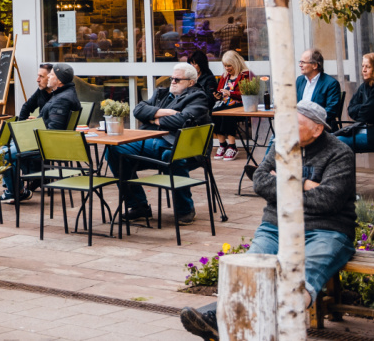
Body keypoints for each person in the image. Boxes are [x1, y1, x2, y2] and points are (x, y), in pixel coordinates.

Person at [180, 101, 356, 340]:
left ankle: (225, 319)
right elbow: (260, 181)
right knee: (251, 267)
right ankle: (226, 321)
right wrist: (306, 184)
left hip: (326, 230)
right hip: (277, 225)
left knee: (306, 275)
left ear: (317, 129)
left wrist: (283, 181)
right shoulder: (281, 145)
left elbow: (328, 200)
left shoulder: (340, 153)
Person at [105, 63, 211, 224]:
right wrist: (165, 112)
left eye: (177, 79)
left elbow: (183, 120)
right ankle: (138, 205)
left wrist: (154, 119)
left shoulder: (198, 97)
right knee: (114, 150)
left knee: (171, 155)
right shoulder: (162, 94)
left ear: (191, 82)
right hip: (150, 142)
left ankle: (185, 209)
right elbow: (138, 110)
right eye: (171, 78)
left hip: (181, 146)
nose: (173, 82)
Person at [0, 63, 78, 202]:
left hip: (46, 145)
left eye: (51, 75)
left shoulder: (62, 99)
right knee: (7, 146)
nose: (48, 78)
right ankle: (19, 185)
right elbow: (52, 123)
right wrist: (36, 122)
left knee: (3, 154)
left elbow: (53, 132)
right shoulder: (62, 94)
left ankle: (17, 191)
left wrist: (32, 129)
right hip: (43, 140)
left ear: (59, 80)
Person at [337, 52, 374, 153]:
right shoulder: (365, 86)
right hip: (365, 130)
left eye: (368, 67)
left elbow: (365, 114)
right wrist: (364, 108)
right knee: (329, 139)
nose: (364, 70)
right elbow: (351, 109)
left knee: (337, 141)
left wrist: (362, 109)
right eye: (363, 66)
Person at [211, 50, 253, 161]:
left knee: (227, 113)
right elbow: (220, 91)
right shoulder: (225, 76)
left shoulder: (246, 75)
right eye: (225, 65)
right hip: (225, 103)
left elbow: (248, 94)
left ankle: (232, 146)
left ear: (236, 63)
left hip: (241, 106)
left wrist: (231, 93)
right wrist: (217, 96)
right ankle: (222, 144)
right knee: (213, 112)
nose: (227, 68)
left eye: (229, 65)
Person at [296, 48, 342, 129]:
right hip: (300, 126)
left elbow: (331, 111)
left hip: (321, 128)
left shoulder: (331, 83)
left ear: (315, 65)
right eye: (300, 62)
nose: (300, 65)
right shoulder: (300, 80)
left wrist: (309, 121)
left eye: (303, 62)